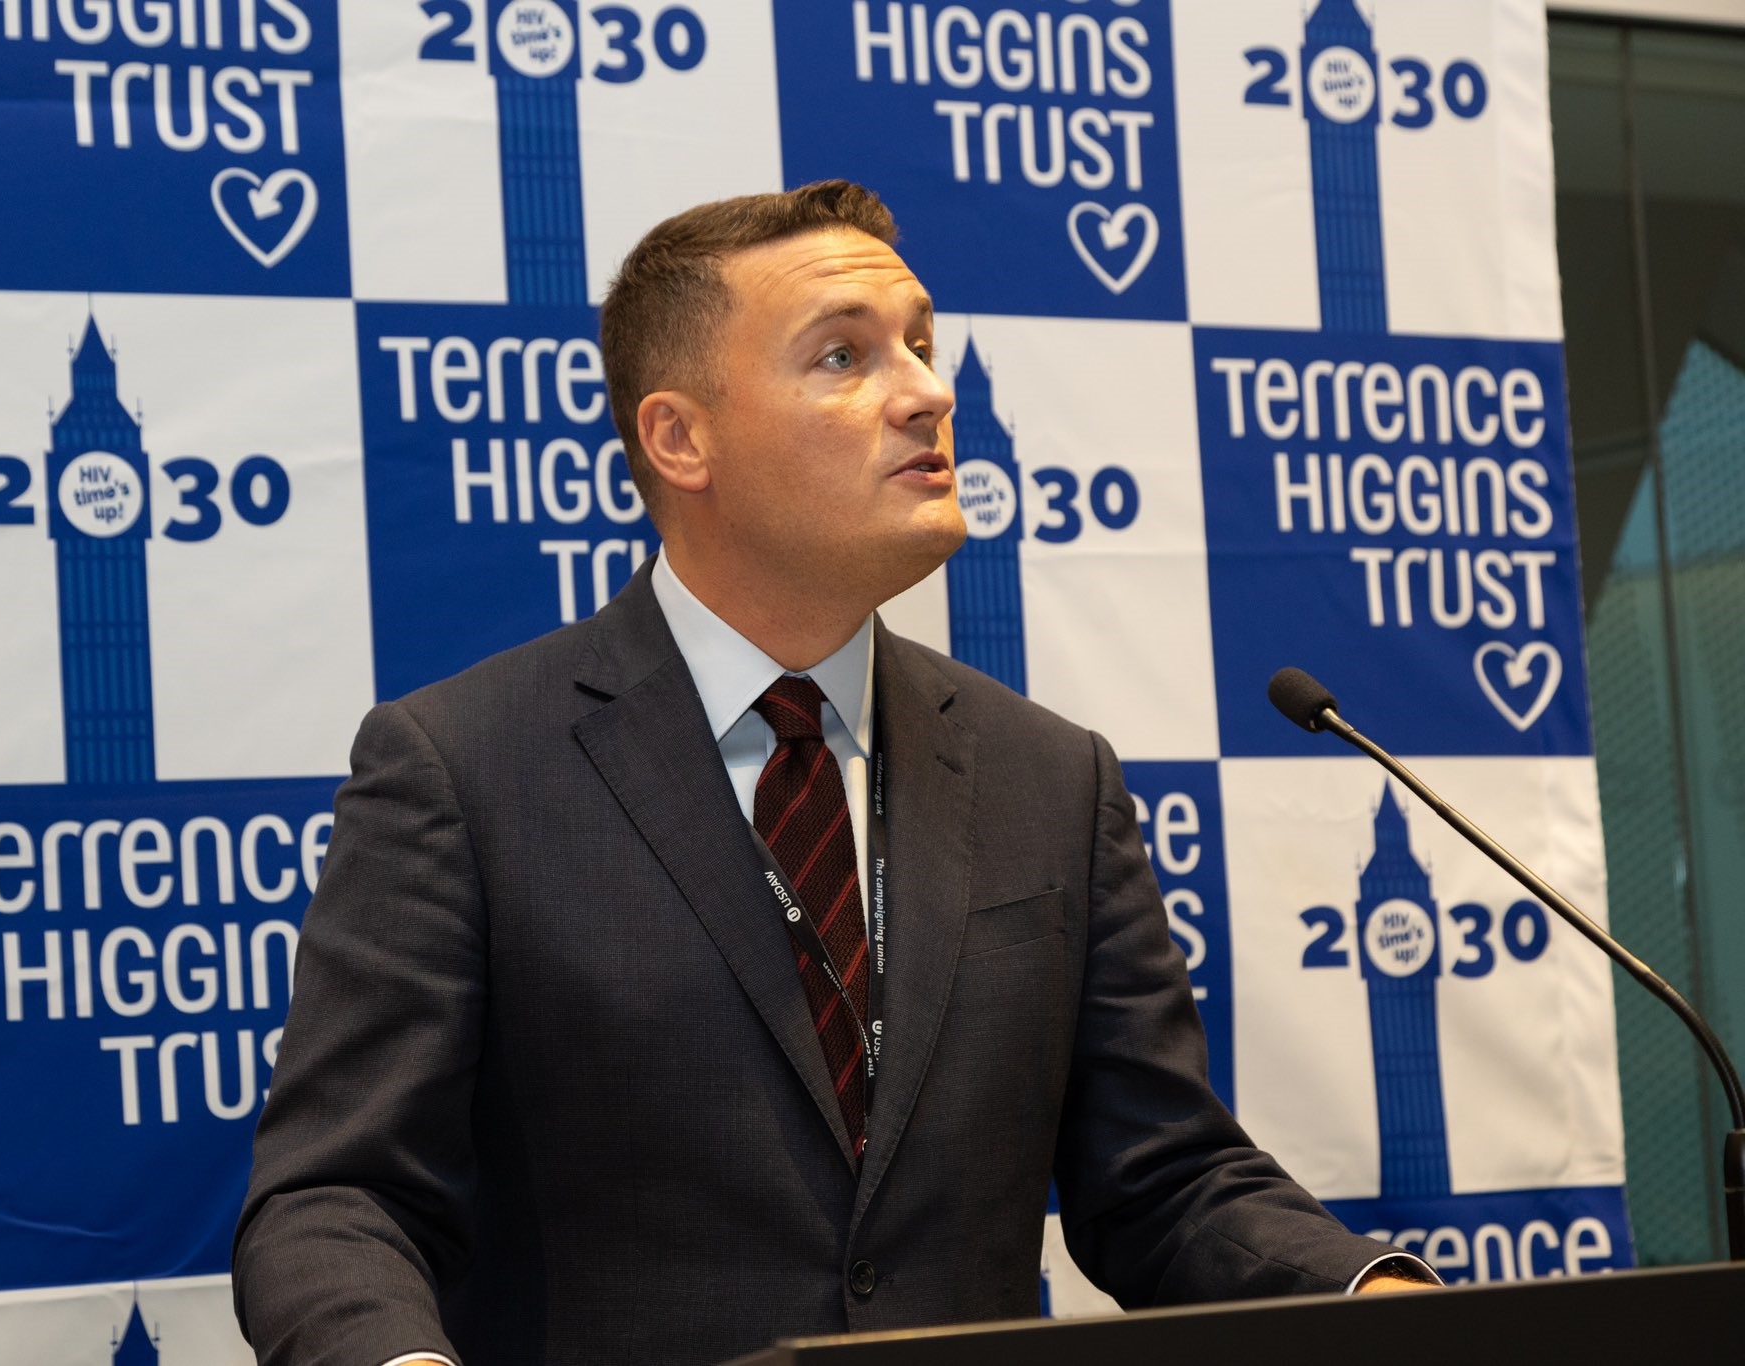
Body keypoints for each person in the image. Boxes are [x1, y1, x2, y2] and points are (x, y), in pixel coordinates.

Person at [232, 181, 1432, 1366]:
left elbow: (1162, 1176)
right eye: (843, 358)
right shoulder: (462, 768)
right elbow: (335, 1199)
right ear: (679, 437)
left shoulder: (1048, 778)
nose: (927, 391)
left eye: (917, 342)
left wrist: (1372, 1291)